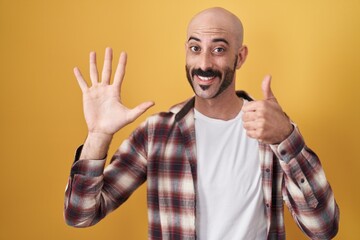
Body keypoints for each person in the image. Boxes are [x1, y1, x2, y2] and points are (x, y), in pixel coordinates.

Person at [64, 7, 339, 240]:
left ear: (239, 57)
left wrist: (286, 138)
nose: (204, 63)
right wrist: (98, 135)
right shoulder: (157, 133)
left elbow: (324, 228)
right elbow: (80, 215)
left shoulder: (272, 130)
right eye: (196, 48)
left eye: (219, 49)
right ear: (186, 52)